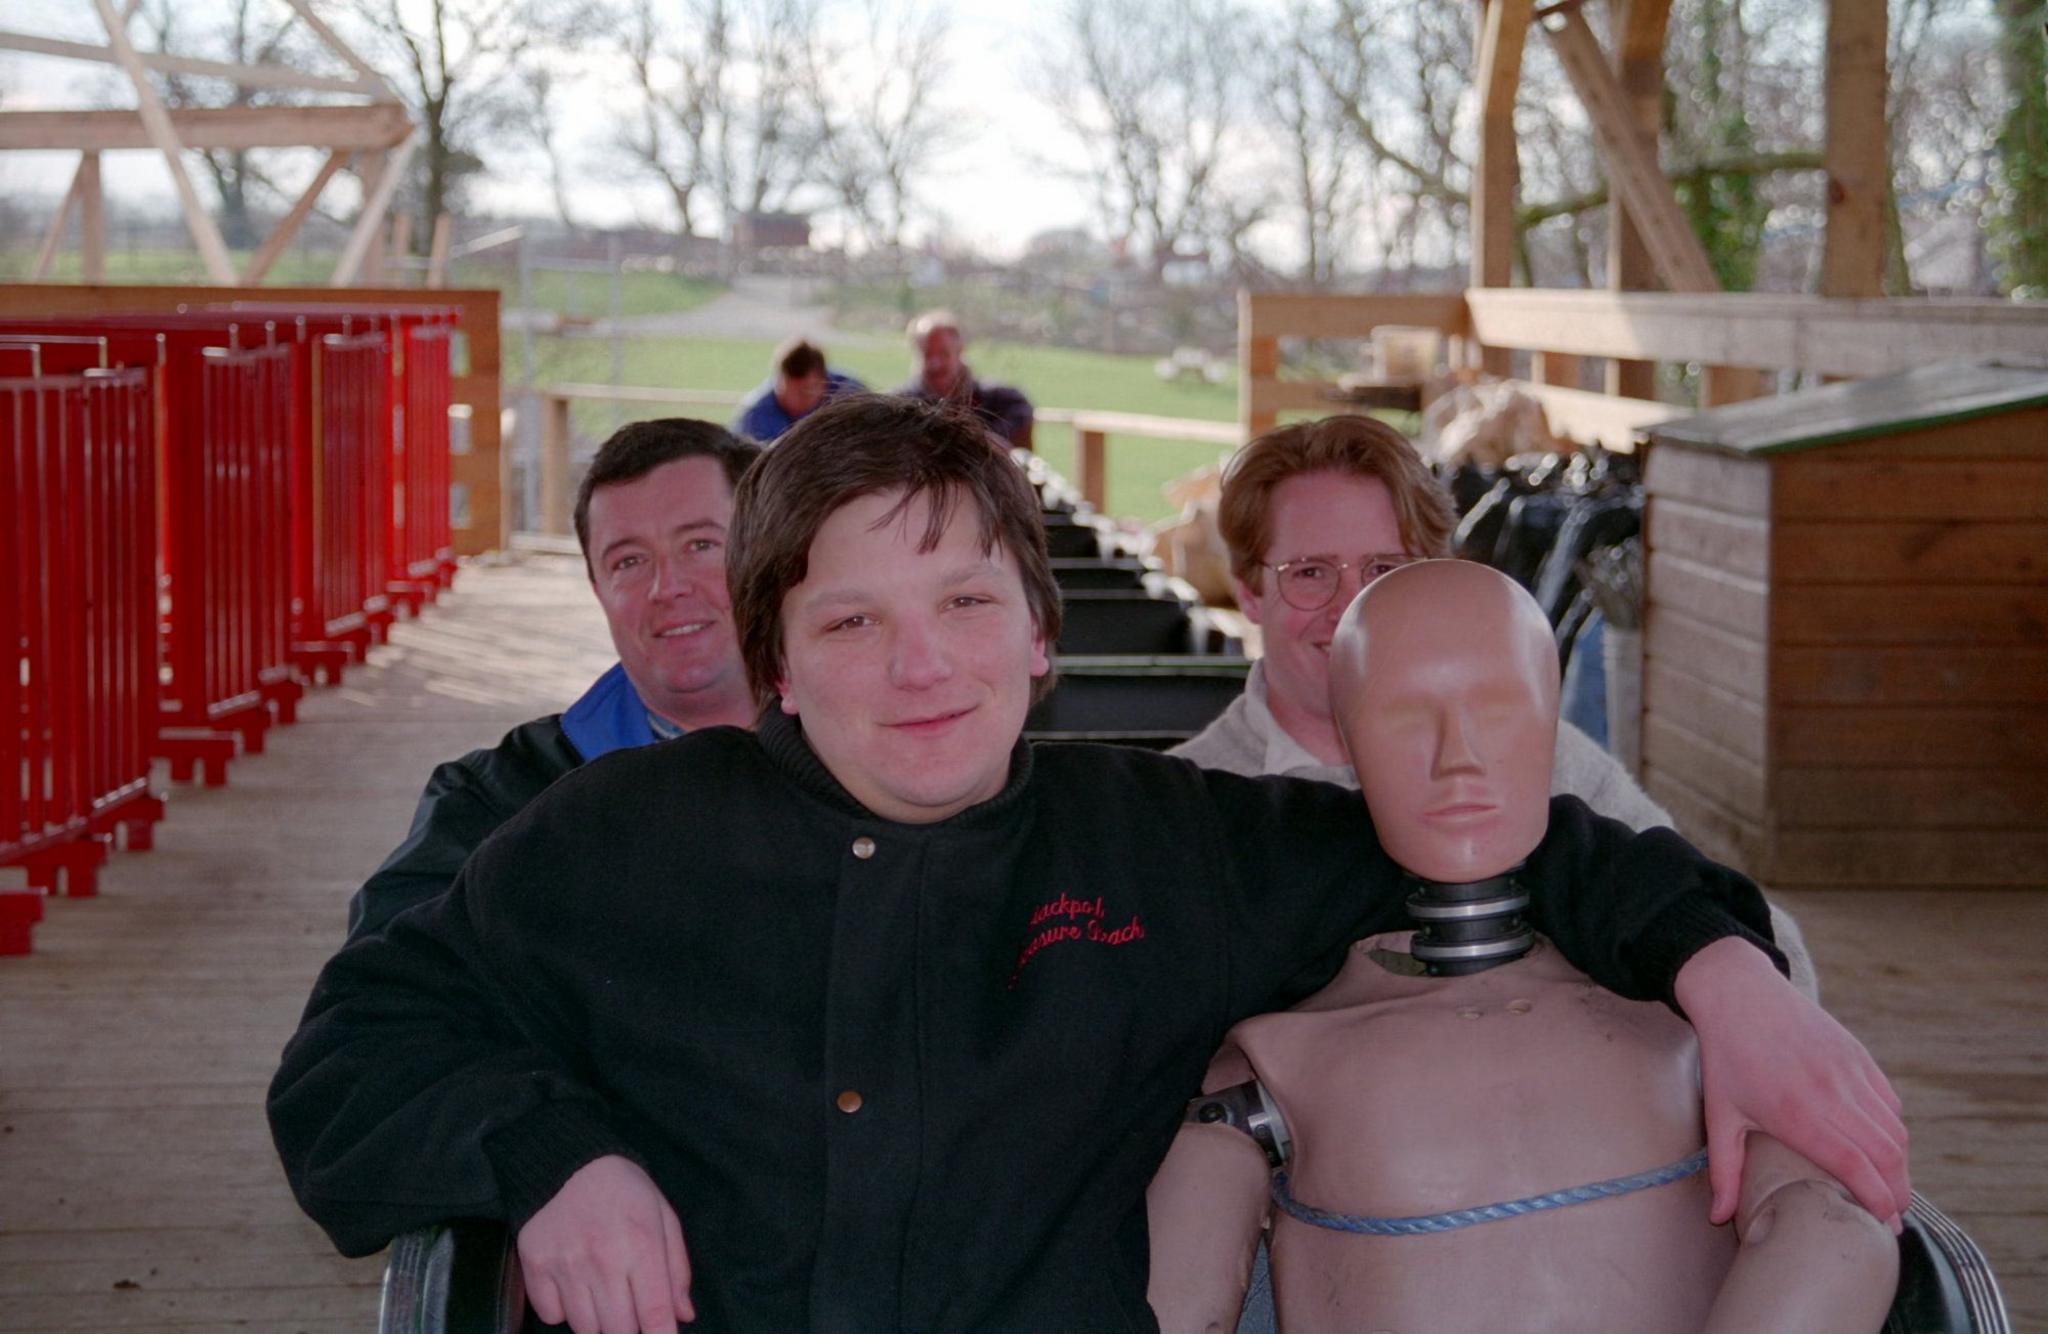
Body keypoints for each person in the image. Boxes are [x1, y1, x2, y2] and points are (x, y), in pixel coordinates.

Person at [270, 395, 1905, 1333]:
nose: (921, 668)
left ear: (1041, 639)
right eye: (851, 619)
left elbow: (1521, 842)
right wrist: (552, 1152)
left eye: (966, 605)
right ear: (775, 659)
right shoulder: (615, 841)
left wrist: (1724, 973)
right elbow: (354, 1049)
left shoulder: (1169, 845)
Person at [1147, 561, 1898, 1333]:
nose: (1458, 758)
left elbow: (1834, 1227)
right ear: (1348, 737)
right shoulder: (1274, 1055)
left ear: (1550, 722)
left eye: (1498, 709)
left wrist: (1734, 981)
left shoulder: (1692, 1009)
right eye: (1407, 717)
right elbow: (1178, 1301)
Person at [1171, 415, 1817, 998]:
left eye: (1383, 571)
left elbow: (1777, 954)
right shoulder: (1192, 809)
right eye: (1310, 572)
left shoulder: (1542, 762)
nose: (1350, 610)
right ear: (1249, 592)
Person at [345, 419, 762, 939]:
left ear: (768, 557)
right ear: (597, 589)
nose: (666, 586)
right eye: (628, 561)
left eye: (700, 545)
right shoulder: (502, 800)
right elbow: (382, 981)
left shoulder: (871, 768)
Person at [896, 308, 1034, 449]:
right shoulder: (900, 407)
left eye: (944, 354)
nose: (935, 364)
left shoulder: (1004, 402)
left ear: (960, 350)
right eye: (927, 354)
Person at [730, 337, 863, 443]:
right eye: (786, 391)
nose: (794, 401)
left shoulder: (852, 396)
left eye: (805, 392)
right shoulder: (754, 416)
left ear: (824, 382)